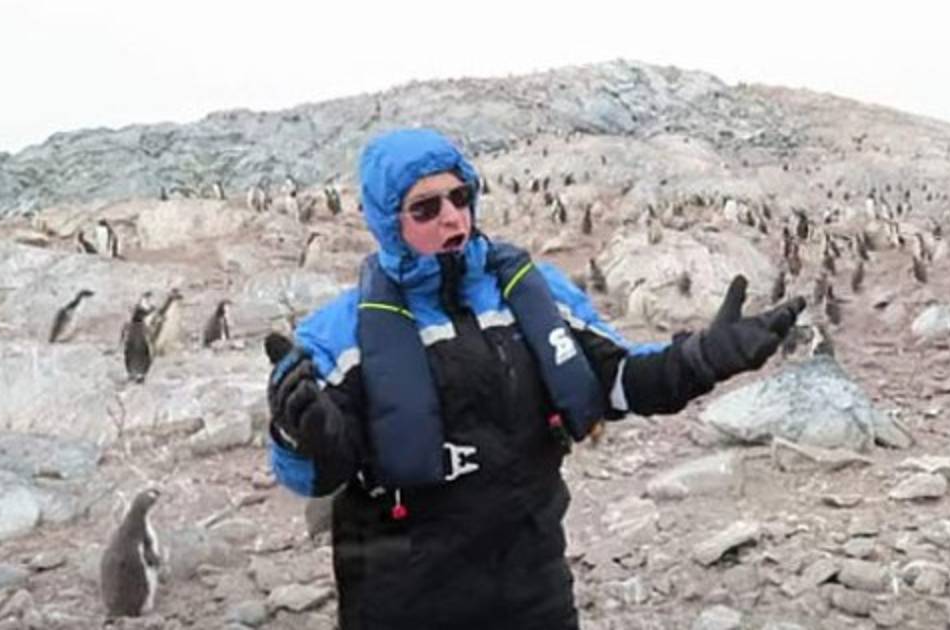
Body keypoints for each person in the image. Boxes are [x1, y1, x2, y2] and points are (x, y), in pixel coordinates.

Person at [266, 128, 806, 629]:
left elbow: (618, 379)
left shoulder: (530, 293)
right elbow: (311, 477)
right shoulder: (342, 333)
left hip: (532, 586)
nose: (452, 218)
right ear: (389, 221)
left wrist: (702, 359)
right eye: (425, 208)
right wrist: (297, 433)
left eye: (460, 197)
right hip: (406, 600)